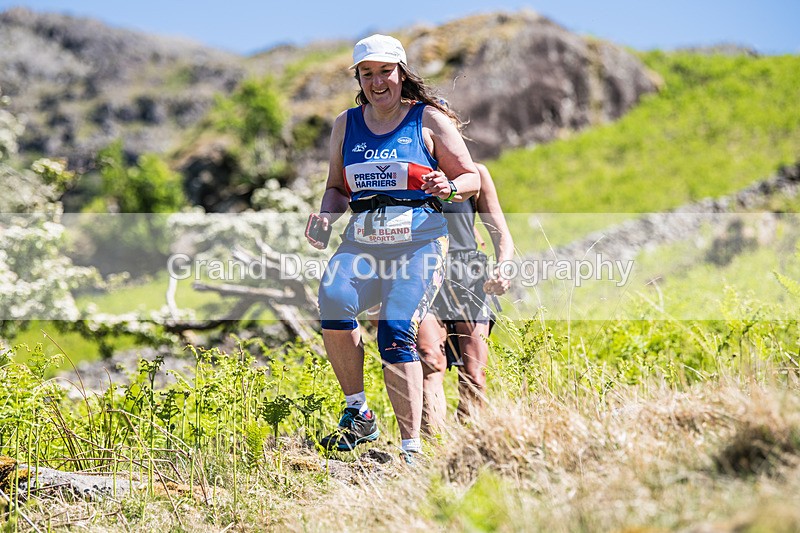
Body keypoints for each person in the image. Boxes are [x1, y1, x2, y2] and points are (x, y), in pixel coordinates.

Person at [306, 34, 480, 460]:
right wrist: (327, 216)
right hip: (362, 244)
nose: (377, 82)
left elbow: (471, 177)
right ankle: (359, 413)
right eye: (367, 74)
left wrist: (449, 186)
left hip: (419, 244)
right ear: (358, 79)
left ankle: (411, 449)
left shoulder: (428, 119)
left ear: (402, 73)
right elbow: (336, 188)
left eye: (385, 71)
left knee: (396, 329)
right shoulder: (346, 124)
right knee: (333, 299)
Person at [416, 161, 514, 433]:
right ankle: (432, 447)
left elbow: (501, 232)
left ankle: (469, 445)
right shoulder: (409, 171)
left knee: (474, 375)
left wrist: (503, 268)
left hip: (468, 275)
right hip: (420, 273)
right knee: (430, 361)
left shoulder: (475, 174)